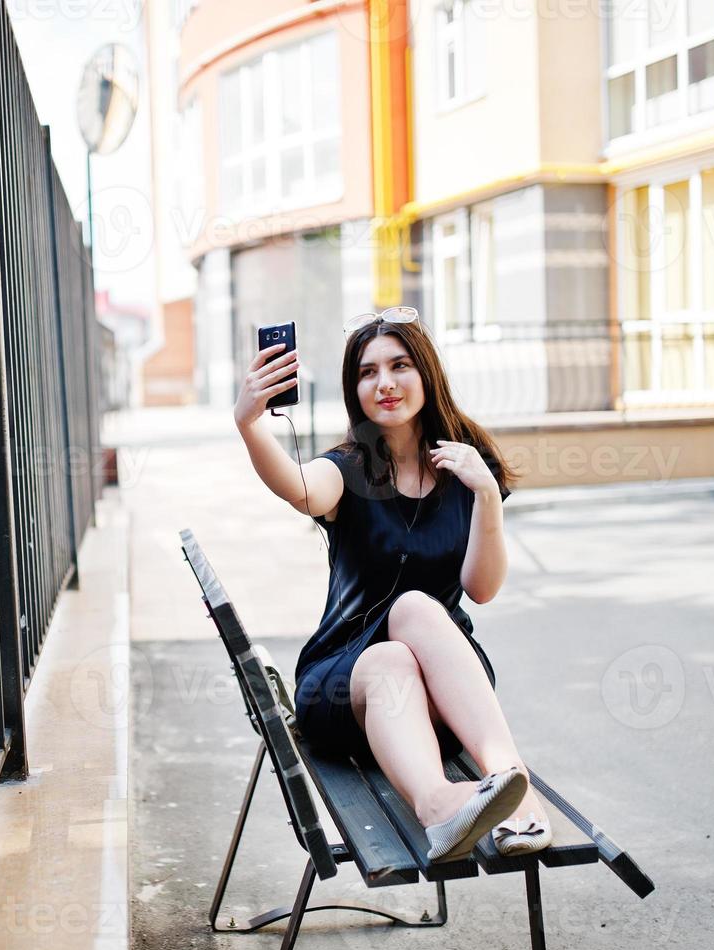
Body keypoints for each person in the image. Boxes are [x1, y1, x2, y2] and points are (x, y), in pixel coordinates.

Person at [232, 308, 551, 860]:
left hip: (442, 693)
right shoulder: (348, 468)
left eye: (399, 365)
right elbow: (302, 489)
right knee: (401, 629)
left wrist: (486, 497)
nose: (384, 383)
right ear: (354, 389)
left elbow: (481, 589)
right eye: (366, 371)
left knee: (409, 635)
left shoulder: (467, 468)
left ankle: (474, 793)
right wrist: (250, 424)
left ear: (426, 373)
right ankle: (470, 794)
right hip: (341, 689)